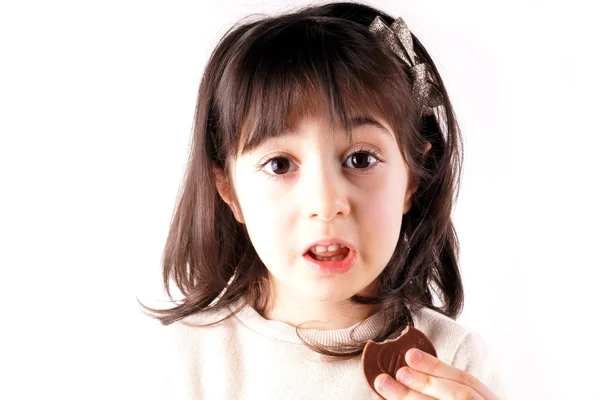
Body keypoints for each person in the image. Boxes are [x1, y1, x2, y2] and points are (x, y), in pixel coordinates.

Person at [140, 2, 506, 399]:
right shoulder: (189, 359)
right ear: (228, 189)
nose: (326, 202)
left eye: (360, 159)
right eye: (280, 164)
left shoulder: (452, 363)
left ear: (413, 177)